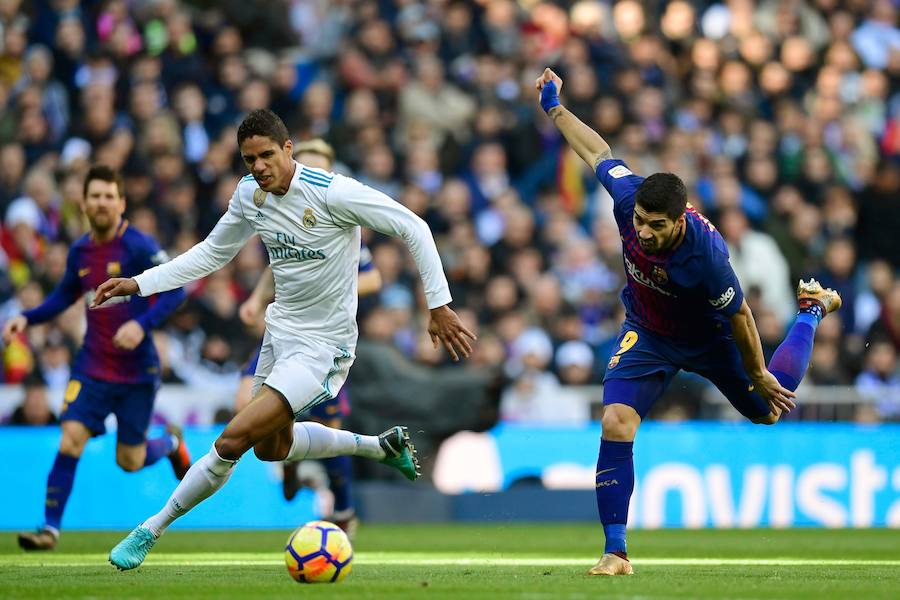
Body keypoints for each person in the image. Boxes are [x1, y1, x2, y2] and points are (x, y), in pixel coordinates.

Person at [97, 109, 475, 570]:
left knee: (232, 441)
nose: (258, 166)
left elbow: (414, 226)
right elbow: (211, 253)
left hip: (324, 347)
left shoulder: (332, 193)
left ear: (288, 148)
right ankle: (378, 447)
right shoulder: (249, 195)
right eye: (249, 159)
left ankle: (149, 530)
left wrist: (438, 305)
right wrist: (140, 283)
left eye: (267, 155)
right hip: (280, 336)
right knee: (270, 449)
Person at [536, 69, 841, 576]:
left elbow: (740, 315)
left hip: (710, 339)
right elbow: (597, 152)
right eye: (640, 222)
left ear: (678, 220)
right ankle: (616, 552)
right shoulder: (629, 197)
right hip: (648, 332)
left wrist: (758, 372)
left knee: (768, 412)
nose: (644, 232)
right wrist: (554, 106)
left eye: (656, 226)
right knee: (615, 421)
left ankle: (810, 309)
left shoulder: (707, 257)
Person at [2, 164, 190, 551]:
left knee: (130, 461)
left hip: (136, 370)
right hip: (92, 366)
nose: (102, 203)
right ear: (84, 203)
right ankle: (49, 529)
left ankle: (171, 444)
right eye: (95, 196)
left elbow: (177, 290)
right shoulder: (80, 252)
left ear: (121, 203)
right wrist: (27, 317)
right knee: (70, 439)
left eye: (109, 196)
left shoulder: (139, 246)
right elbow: (63, 296)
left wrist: (141, 324)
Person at [235, 138, 382, 536]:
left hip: (325, 338)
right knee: (246, 403)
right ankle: (287, 459)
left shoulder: (341, 218)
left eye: (319, 167)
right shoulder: (282, 212)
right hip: (285, 331)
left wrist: (332, 283)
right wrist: (256, 299)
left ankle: (343, 507)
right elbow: (276, 268)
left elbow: (374, 278)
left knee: (330, 426)